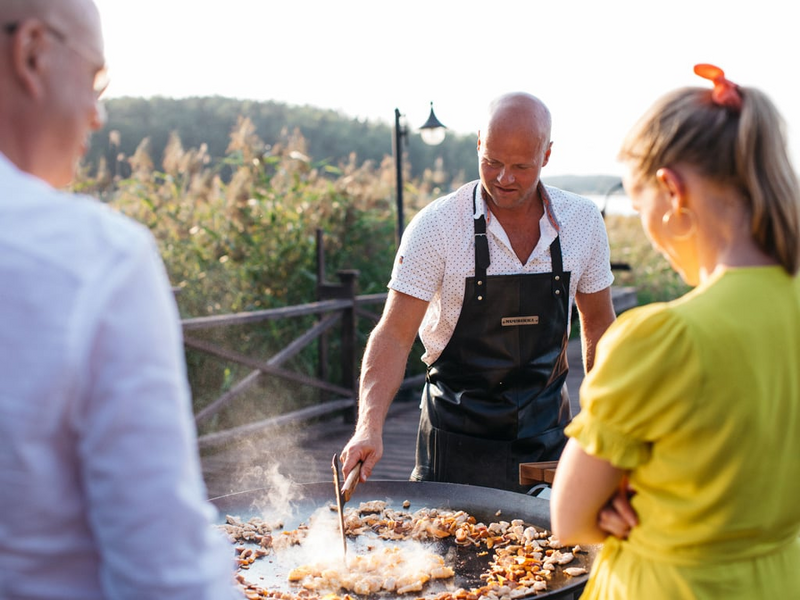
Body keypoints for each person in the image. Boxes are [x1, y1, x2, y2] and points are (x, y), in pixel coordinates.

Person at [0, 1, 238, 598]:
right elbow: (165, 575)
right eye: (95, 77)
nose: (97, 115)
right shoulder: (95, 257)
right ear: (31, 53)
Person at [551, 64, 800, 599]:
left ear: (672, 191)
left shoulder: (662, 339)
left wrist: (613, 498)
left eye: (641, 206)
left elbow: (570, 516)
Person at [341, 92, 616, 493]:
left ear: (547, 156)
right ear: (478, 146)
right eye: (492, 162)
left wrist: (605, 419)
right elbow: (393, 335)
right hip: (454, 450)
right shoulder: (436, 226)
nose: (504, 178)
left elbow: (599, 324)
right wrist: (368, 426)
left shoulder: (582, 221)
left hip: (546, 446)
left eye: (521, 166)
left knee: (546, 555)